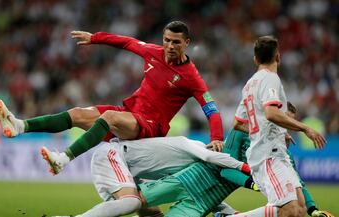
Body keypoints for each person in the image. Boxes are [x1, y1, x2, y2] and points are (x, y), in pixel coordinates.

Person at [0, 21, 224, 174]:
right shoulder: (153, 52)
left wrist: (217, 137)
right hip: (130, 113)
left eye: (176, 42)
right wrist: (96, 38)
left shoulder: (191, 76)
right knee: (77, 114)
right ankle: (20, 125)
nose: (169, 46)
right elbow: (126, 42)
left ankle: (63, 159)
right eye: (166, 40)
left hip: (150, 125)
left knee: (110, 117)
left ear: (187, 43)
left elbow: (211, 109)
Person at [229, 36, 326, 217]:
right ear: (278, 57)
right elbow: (271, 113)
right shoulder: (270, 78)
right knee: (289, 209)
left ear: (255, 59)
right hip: (268, 155)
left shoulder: (250, 84)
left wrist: (278, 131)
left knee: (300, 210)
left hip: (274, 153)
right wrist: (305, 128)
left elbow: (237, 123)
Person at [51, 136, 250, 217]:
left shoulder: (196, 171)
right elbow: (209, 155)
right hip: (115, 154)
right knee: (131, 203)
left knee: (153, 214)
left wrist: (231, 213)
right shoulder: (194, 146)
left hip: (129, 172)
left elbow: (207, 197)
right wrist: (246, 168)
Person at [214, 102, 334, 217]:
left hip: (229, 190)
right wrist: (253, 184)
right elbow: (226, 170)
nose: (286, 126)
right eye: (284, 120)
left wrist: (313, 210)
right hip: (209, 184)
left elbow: (298, 183)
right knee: (289, 210)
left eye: (289, 123)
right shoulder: (241, 131)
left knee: (296, 211)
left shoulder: (282, 152)